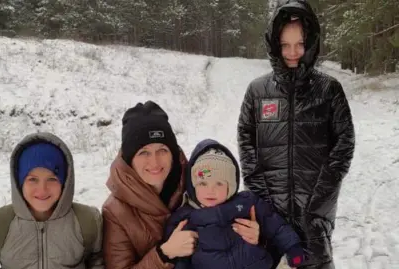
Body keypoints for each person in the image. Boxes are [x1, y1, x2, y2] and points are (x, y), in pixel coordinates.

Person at [237, 1, 355, 268]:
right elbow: (246, 143)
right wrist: (262, 203)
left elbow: (344, 144)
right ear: (274, 44)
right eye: (285, 45)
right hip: (269, 223)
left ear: (311, 42)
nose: (292, 53)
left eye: (300, 44)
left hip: (313, 220)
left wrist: (318, 203)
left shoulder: (328, 90)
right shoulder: (257, 91)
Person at [102, 101, 261, 269]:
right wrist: (164, 254)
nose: (154, 162)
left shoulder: (197, 183)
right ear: (129, 160)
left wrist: (253, 236)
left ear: (173, 152)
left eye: (162, 150)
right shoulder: (115, 212)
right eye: (144, 153)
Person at [0, 132, 104, 269]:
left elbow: (98, 256)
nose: (42, 189)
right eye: (32, 179)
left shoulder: (88, 220)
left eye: (52, 179)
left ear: (65, 182)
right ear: (19, 182)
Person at [164, 138, 305, 269]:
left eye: (219, 183)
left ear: (230, 186)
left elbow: (275, 225)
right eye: (203, 183)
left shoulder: (246, 202)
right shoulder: (186, 217)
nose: (210, 190)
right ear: (193, 185)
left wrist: (293, 247)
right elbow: (180, 259)